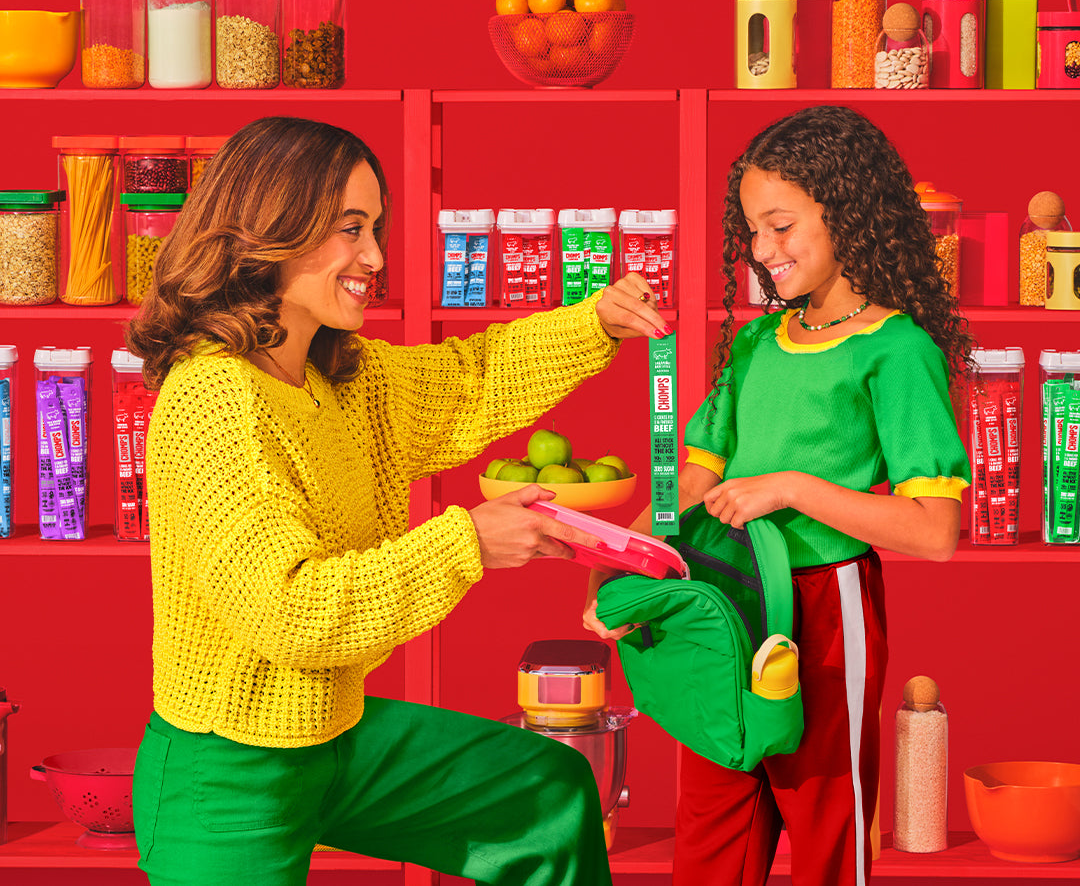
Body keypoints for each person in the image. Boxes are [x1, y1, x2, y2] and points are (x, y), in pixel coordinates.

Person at [127, 114, 667, 886]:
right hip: (225, 772)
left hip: (332, 737)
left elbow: (469, 381)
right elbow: (292, 614)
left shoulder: (339, 376)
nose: (375, 257)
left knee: (547, 793)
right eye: (351, 228)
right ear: (273, 229)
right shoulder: (213, 400)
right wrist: (467, 544)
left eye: (374, 227)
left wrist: (596, 322)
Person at [584, 105, 973, 886]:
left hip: (828, 610)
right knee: (710, 833)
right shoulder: (760, 341)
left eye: (781, 227)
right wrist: (618, 570)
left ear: (847, 211)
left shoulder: (897, 352)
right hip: (722, 601)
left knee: (828, 831)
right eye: (753, 232)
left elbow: (935, 530)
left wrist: (790, 488)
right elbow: (692, 480)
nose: (763, 252)